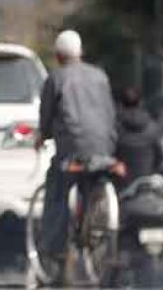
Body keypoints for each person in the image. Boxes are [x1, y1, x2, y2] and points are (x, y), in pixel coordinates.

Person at [34, 30, 118, 271]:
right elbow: (110, 114)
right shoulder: (100, 76)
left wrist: (42, 137)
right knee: (94, 178)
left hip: (72, 153)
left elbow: (47, 119)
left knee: (57, 188)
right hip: (105, 149)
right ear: (80, 52)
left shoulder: (56, 79)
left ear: (59, 56)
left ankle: (54, 250)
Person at [115, 87, 163, 188]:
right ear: (141, 103)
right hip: (144, 184)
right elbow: (160, 158)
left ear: (120, 104)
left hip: (119, 184)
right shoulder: (153, 128)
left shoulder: (113, 129)